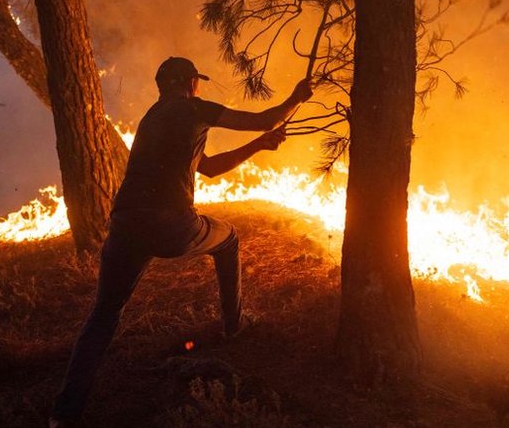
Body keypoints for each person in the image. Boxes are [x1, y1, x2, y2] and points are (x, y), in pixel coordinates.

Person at [49, 56, 313, 426]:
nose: (199, 87)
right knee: (230, 238)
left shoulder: (150, 120)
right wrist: (296, 98)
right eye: (197, 81)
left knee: (103, 315)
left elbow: (209, 167)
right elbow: (265, 118)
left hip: (125, 226)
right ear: (190, 82)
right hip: (173, 226)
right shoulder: (193, 109)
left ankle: (64, 415)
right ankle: (234, 323)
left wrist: (258, 147)